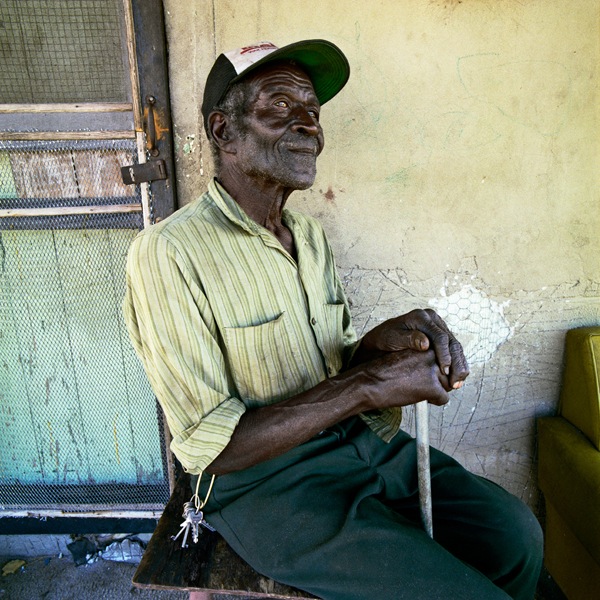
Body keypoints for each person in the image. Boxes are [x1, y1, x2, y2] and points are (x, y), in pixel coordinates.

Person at [124, 39, 543, 600]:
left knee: (516, 538)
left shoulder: (310, 238)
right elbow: (210, 445)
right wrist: (368, 383)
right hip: (266, 485)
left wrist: (381, 349)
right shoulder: (169, 252)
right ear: (223, 131)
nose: (309, 126)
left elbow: (337, 362)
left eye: (313, 113)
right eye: (280, 107)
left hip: (358, 446)